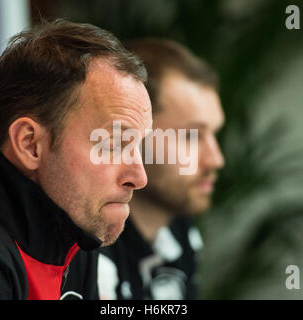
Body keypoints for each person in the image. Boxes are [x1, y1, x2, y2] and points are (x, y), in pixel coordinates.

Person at [0, 20, 152, 300]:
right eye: (112, 145)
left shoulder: (74, 233)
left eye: (138, 147)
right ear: (30, 144)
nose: (139, 177)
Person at [96, 38, 225, 300]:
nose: (216, 160)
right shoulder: (88, 252)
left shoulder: (181, 233)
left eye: (214, 135)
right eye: (191, 136)